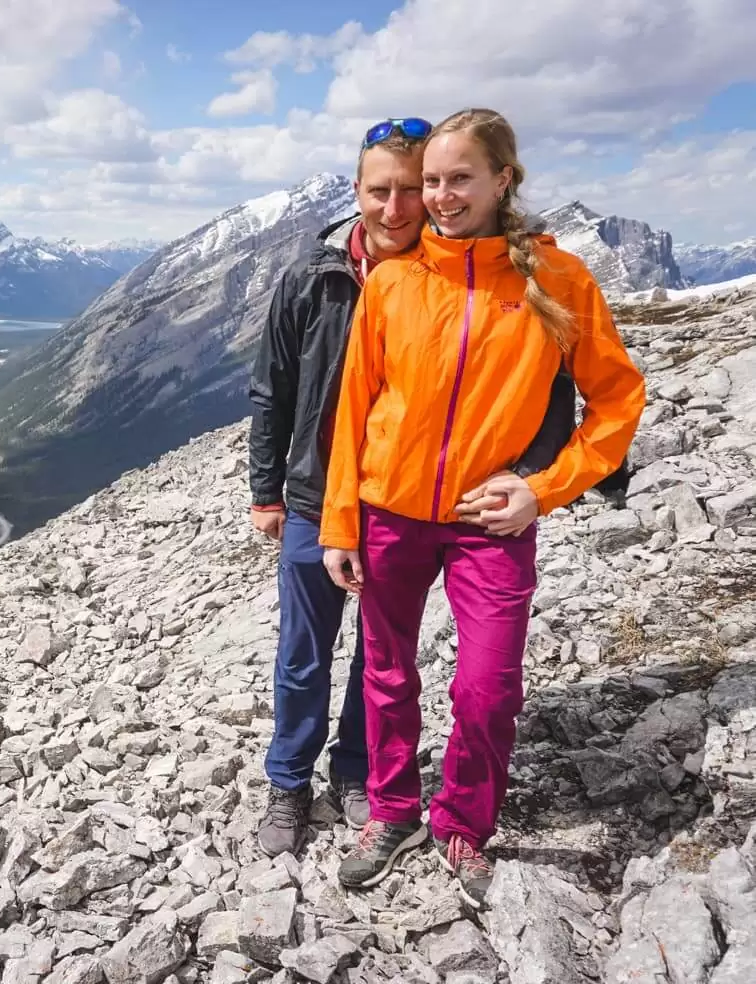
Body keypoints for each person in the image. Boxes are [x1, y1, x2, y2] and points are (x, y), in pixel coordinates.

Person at [318, 108, 646, 907]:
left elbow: (617, 400)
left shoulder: (559, 280)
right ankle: (393, 813)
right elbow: (353, 409)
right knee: (387, 676)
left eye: (459, 178)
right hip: (390, 511)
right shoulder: (395, 281)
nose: (439, 196)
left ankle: (463, 822)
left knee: (488, 688)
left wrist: (543, 488)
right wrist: (339, 524)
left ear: (504, 179)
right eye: (431, 180)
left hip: (487, 521)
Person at [247, 117, 430, 858]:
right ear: (355, 192)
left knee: (382, 653)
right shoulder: (311, 279)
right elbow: (272, 391)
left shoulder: (441, 279)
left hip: (398, 496)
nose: (395, 208)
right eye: (380, 191)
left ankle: (355, 769)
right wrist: (266, 492)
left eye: (410, 191)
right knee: (302, 652)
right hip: (315, 496)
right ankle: (288, 780)